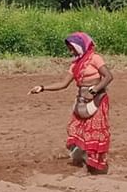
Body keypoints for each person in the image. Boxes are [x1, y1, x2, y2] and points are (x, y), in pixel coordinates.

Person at [29, 32, 114, 174]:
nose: (71, 51)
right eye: (70, 48)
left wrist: (93, 91)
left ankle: (96, 164)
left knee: (94, 131)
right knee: (79, 130)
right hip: (82, 101)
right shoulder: (75, 65)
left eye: (72, 48)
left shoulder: (95, 58)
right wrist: (42, 88)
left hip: (97, 100)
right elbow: (63, 84)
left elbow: (108, 76)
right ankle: (82, 159)